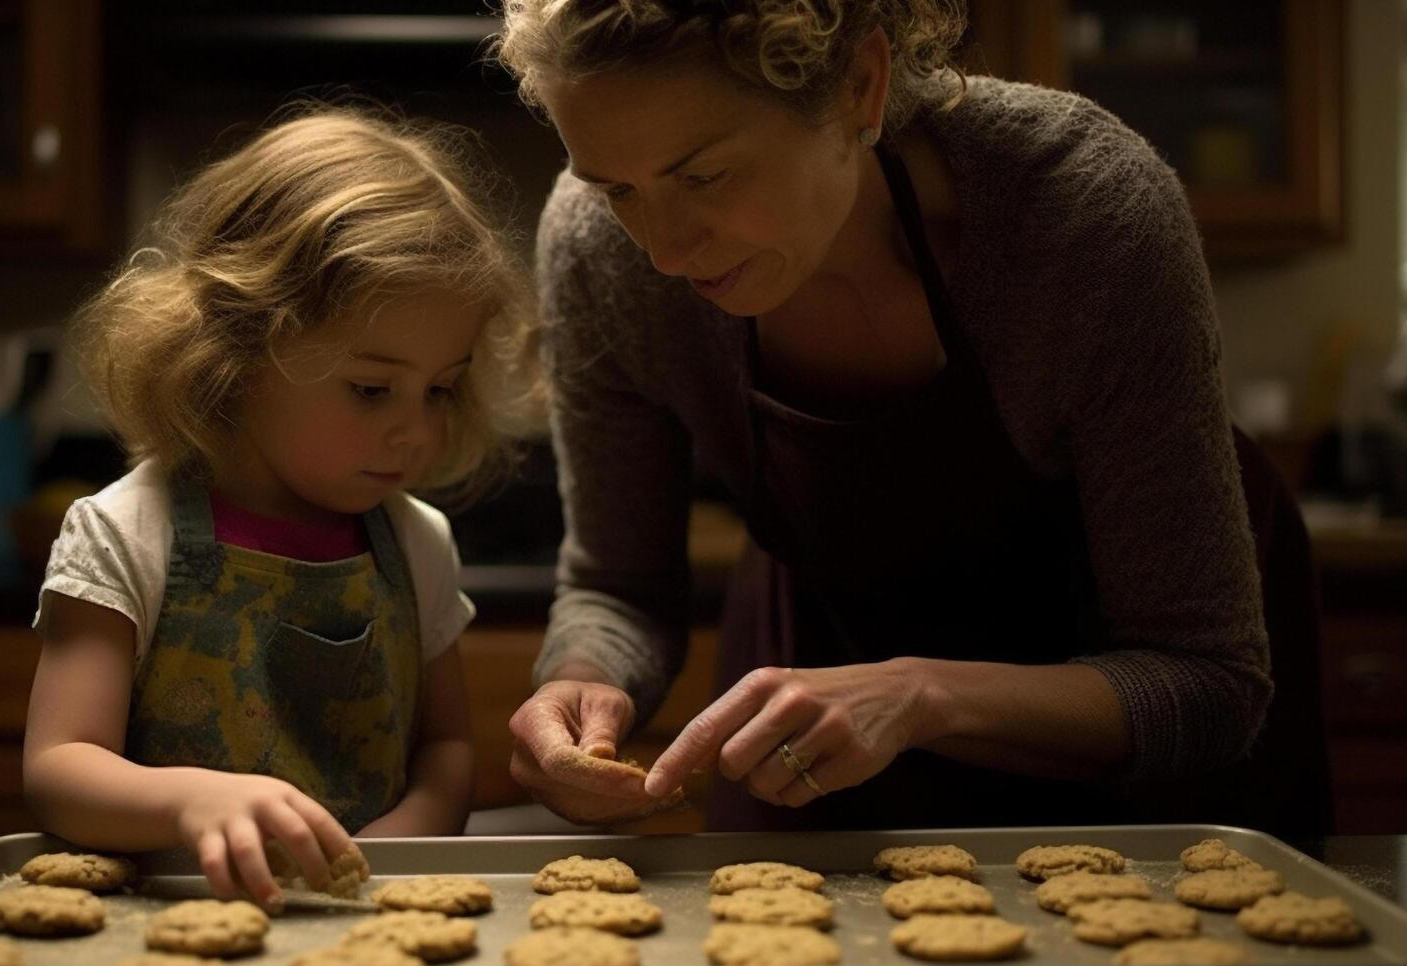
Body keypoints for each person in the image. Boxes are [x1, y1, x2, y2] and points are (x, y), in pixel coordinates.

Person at [495, 0, 1284, 831]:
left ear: (858, 89)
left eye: (704, 176)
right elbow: (618, 588)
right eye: (618, 189)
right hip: (811, 737)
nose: (660, 249)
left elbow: (1206, 685)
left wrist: (918, 694)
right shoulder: (598, 248)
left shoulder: (1075, 211)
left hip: (1133, 792)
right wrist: (578, 681)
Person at [23, 108, 539, 909]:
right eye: (371, 389)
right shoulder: (129, 534)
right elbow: (60, 766)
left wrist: (393, 849)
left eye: (440, 388)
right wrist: (193, 801)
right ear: (239, 346)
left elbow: (442, 752)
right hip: (170, 925)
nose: (416, 429)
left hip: (367, 921)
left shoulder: (415, 542)